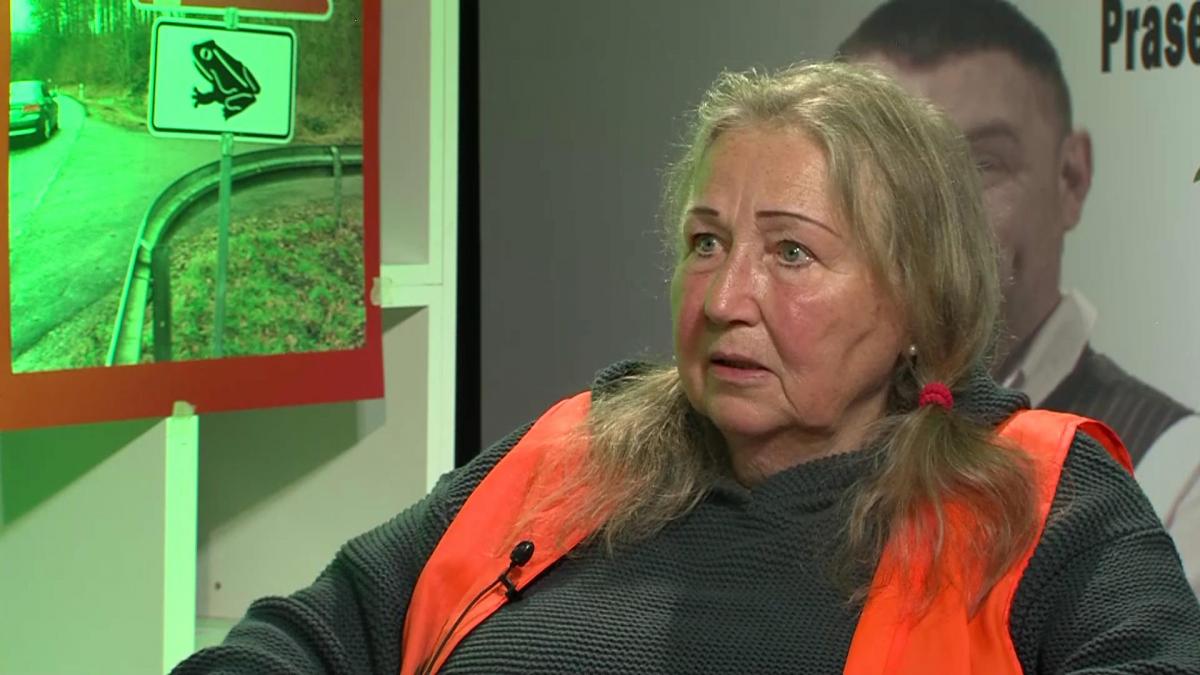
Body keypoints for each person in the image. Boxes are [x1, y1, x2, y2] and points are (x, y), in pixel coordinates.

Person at [172, 63, 1200, 674]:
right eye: (707, 242)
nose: (724, 298)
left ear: (914, 300)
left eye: (791, 252)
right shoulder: (572, 450)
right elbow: (310, 636)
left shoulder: (1043, 499)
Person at [838, 0, 1200, 594]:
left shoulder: (1175, 473)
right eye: (884, 171)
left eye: (983, 163)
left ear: (1071, 178)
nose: (935, 214)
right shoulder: (784, 434)